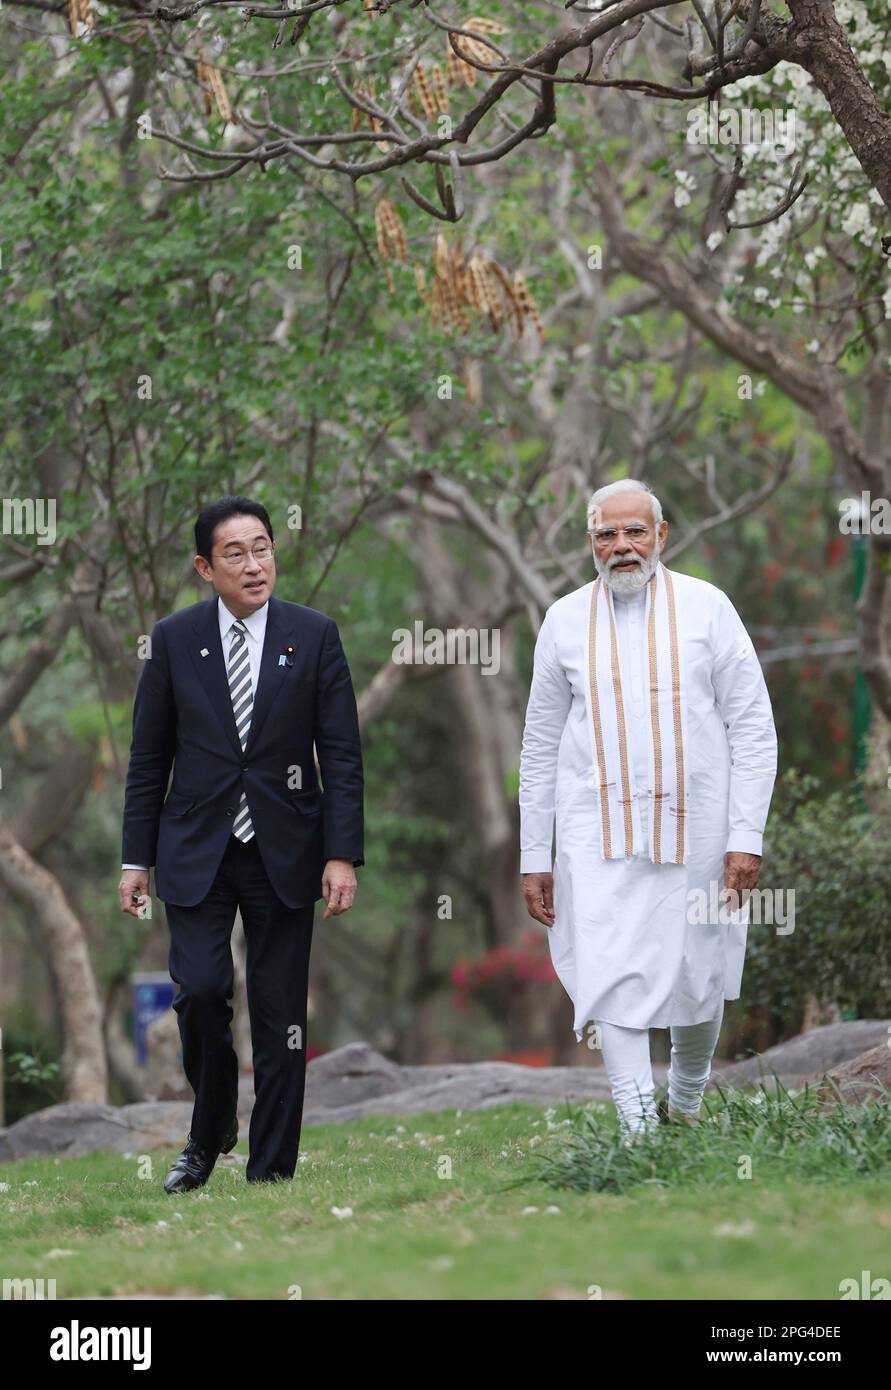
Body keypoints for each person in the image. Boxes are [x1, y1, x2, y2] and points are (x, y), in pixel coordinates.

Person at [519, 480, 777, 1139]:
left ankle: (684, 1108)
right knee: (606, 975)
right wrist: (533, 855)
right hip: (594, 837)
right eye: (606, 535)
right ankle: (639, 1134)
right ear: (590, 545)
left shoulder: (707, 609)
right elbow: (540, 745)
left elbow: (751, 726)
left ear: (661, 536)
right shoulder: (562, 621)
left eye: (635, 532)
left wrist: (744, 837)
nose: (622, 546)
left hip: (699, 834)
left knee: (699, 974)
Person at [119, 496, 363, 1189]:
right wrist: (136, 860)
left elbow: (340, 754)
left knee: (282, 1014)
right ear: (205, 566)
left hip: (286, 850)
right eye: (236, 553)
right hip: (196, 847)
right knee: (198, 993)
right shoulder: (173, 641)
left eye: (263, 548)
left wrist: (340, 853)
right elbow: (147, 758)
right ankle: (211, 1128)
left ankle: (270, 1172)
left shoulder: (313, 636)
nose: (255, 565)